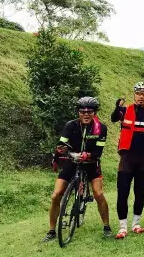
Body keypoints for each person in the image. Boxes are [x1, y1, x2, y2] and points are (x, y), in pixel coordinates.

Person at [43, 97, 111, 241]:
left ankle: (107, 227)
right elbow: (62, 143)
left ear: (95, 113)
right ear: (78, 112)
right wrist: (59, 152)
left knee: (98, 194)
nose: (86, 114)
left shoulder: (101, 128)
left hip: (91, 163)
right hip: (72, 161)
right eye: (82, 111)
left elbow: (98, 152)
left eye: (89, 111)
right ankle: (51, 231)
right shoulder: (71, 125)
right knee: (56, 195)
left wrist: (87, 155)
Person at [111, 81, 144, 239]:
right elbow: (114, 118)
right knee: (123, 192)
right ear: (134, 95)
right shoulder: (125, 110)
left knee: (140, 192)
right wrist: (117, 108)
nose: (141, 97)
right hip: (127, 157)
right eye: (138, 93)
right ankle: (122, 227)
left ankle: (136, 224)